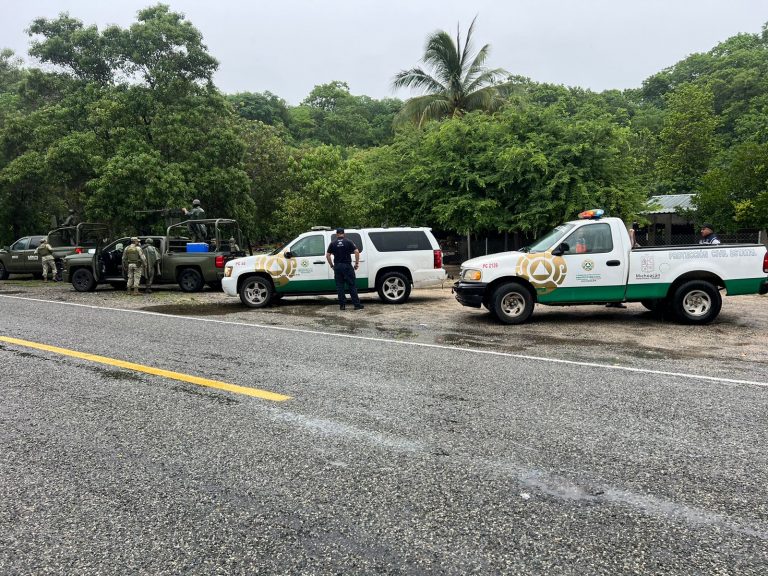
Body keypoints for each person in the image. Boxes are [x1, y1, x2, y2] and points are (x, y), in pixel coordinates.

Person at [325, 228, 363, 310]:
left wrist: (332, 265)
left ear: (336, 234)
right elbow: (356, 251)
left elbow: (327, 255)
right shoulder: (349, 241)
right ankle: (357, 305)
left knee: (340, 287)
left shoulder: (332, 243)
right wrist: (356, 263)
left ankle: (342, 305)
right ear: (343, 234)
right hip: (347, 266)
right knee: (352, 285)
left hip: (338, 267)